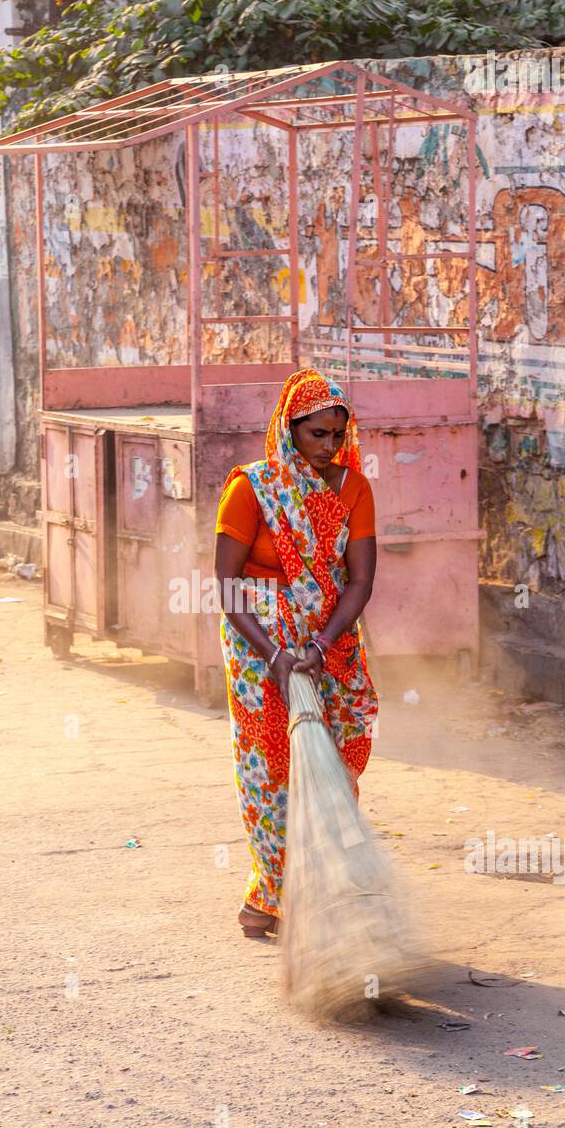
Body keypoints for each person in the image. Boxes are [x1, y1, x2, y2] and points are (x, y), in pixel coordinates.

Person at [214, 367, 379, 939]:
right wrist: (278, 654)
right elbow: (229, 586)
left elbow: (359, 580)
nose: (331, 447)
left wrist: (319, 643)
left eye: (339, 435)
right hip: (260, 649)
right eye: (318, 435)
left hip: (328, 644)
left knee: (333, 763)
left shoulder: (354, 489)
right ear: (290, 431)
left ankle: (284, 896)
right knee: (273, 770)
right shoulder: (252, 487)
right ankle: (285, 895)